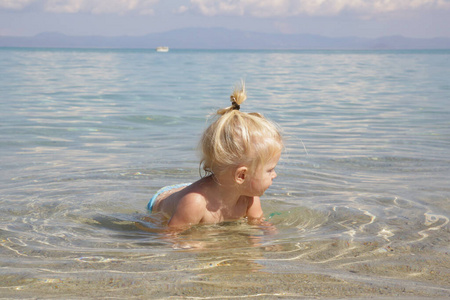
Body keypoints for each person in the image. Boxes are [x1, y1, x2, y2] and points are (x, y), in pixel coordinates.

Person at [148, 82, 283, 230]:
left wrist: (270, 238)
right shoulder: (195, 204)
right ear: (242, 176)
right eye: (270, 170)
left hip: (211, 188)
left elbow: (259, 224)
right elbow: (169, 237)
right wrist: (192, 244)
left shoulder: (249, 198)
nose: (275, 175)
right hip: (165, 199)